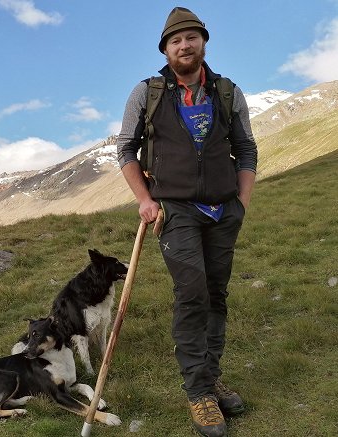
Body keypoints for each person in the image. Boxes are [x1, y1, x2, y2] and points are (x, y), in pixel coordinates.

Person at [116, 6, 257, 437]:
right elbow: (126, 150)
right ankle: (198, 393)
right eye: (176, 40)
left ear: (203, 43)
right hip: (174, 210)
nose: (184, 45)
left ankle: (211, 378)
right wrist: (145, 199)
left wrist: (242, 204)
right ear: (166, 49)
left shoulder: (227, 92)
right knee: (192, 290)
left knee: (216, 293)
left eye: (191, 37)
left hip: (222, 210)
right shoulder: (148, 92)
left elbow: (246, 150)